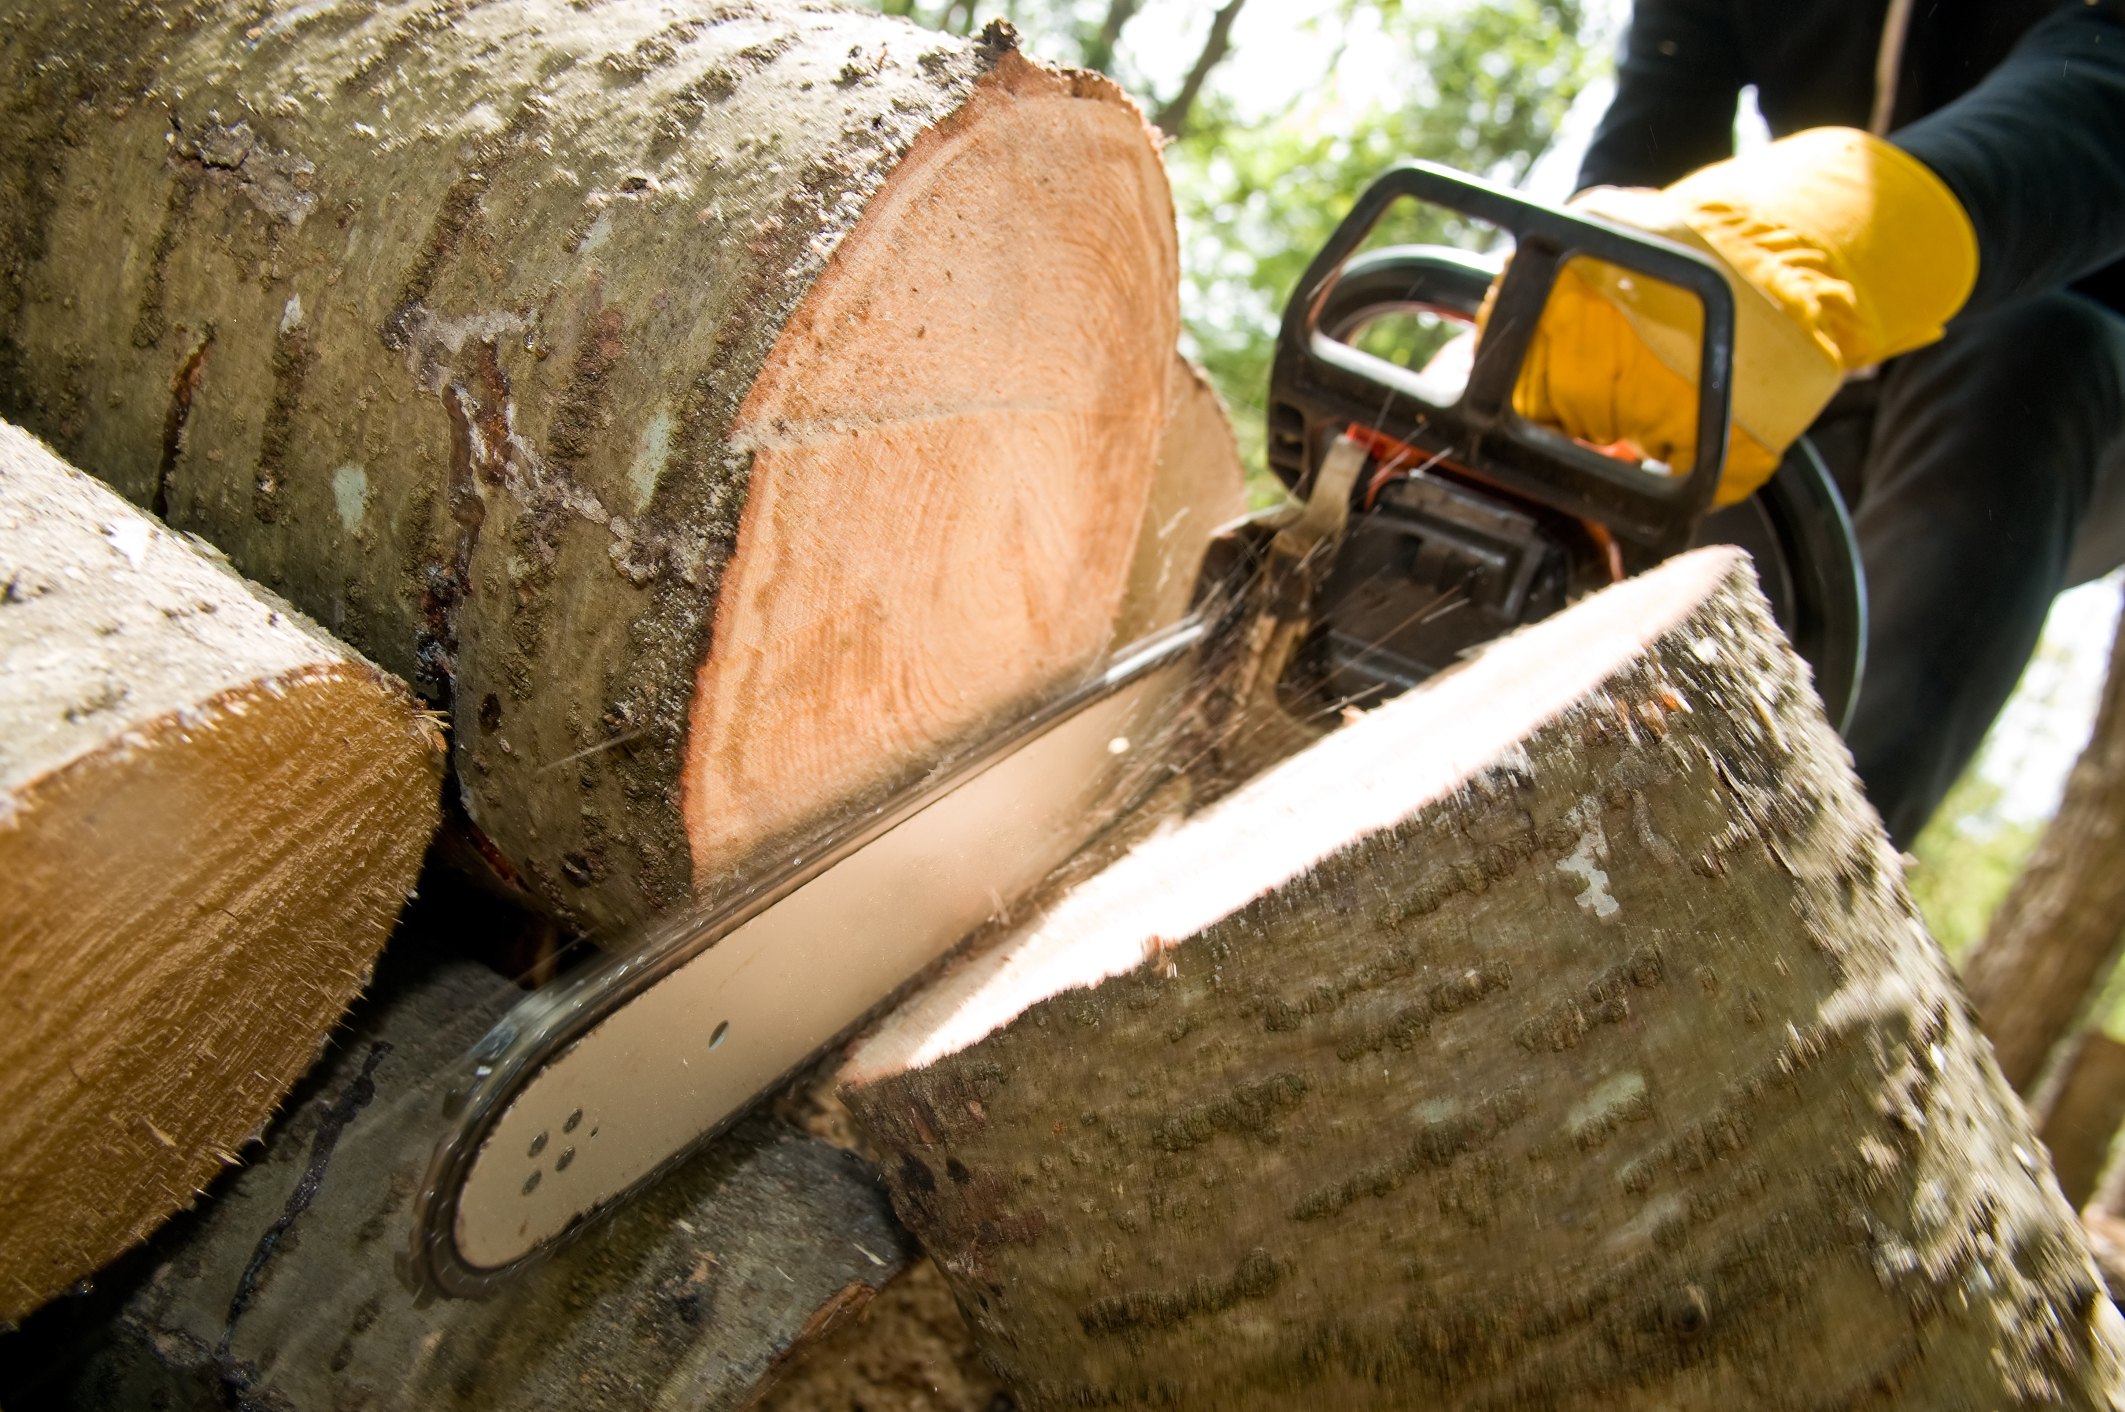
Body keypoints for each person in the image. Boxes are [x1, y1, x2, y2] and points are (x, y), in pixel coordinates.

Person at [1511, 0, 2125, 845]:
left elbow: (2103, 74)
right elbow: (1649, 143)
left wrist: (1854, 230)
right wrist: (1563, 317)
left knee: (2036, 347)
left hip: (2063, 393)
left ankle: (1815, 865)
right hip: (1802, 386)